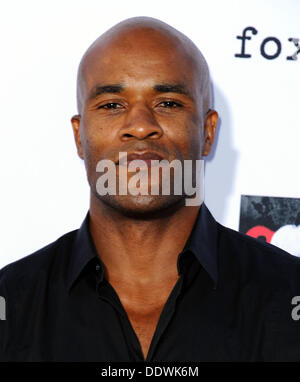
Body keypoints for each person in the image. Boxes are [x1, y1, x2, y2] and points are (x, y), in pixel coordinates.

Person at [1, 16, 300, 362]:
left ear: (208, 132)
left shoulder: (288, 296)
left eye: (168, 103)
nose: (140, 126)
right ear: (78, 136)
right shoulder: (12, 305)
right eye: (112, 105)